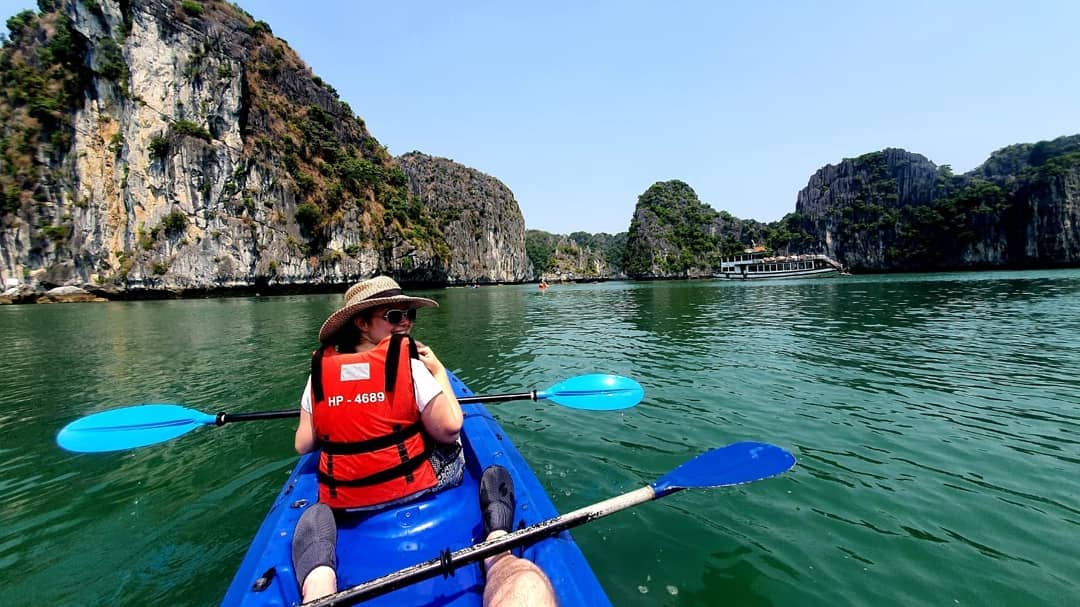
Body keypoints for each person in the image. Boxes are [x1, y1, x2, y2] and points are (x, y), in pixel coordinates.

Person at [292, 275, 465, 600]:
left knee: (314, 514)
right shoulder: (410, 367)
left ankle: (318, 585)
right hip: (412, 486)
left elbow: (304, 444)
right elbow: (451, 426)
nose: (407, 324)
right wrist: (439, 372)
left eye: (410, 316)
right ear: (361, 321)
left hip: (344, 497)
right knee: (453, 442)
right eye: (395, 317)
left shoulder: (320, 372)